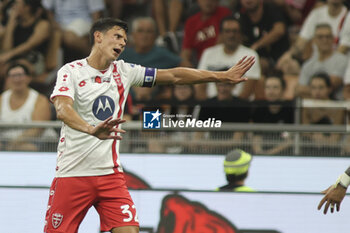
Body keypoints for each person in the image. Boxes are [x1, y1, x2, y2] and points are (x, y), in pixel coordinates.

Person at [45, 17, 255, 233]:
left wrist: (221, 76)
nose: (122, 43)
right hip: (72, 174)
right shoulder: (71, 71)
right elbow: (62, 109)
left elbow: (174, 75)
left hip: (110, 176)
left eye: (125, 40)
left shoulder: (124, 71)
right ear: (98, 37)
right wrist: (91, 129)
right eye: (117, 37)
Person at [196, 15, 262, 100]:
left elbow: (248, 90)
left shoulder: (250, 55)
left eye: (235, 31)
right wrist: (208, 106)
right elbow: (200, 85)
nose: (231, 35)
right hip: (210, 105)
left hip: (239, 107)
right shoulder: (208, 53)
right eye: (227, 31)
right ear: (221, 34)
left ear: (240, 33)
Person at [0, 61, 52, 151]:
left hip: (34, 141)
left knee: (27, 148)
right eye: (13, 76)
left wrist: (13, 144)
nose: (17, 79)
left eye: (20, 75)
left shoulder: (40, 100)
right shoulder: (1, 99)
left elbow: (37, 129)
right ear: (7, 79)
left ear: (28, 78)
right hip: (5, 141)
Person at [296, 23, 347, 99]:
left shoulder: (342, 60)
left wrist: (310, 90)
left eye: (328, 37)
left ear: (333, 39)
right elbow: (299, 90)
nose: (325, 40)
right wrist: (320, 89)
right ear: (314, 40)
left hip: (336, 105)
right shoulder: (308, 64)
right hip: (312, 107)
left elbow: (332, 84)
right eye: (320, 37)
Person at [251, 71, 294, 155]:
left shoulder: (291, 109)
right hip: (263, 151)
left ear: (283, 89)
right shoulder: (259, 109)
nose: (271, 91)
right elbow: (256, 136)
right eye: (268, 87)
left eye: (275, 88)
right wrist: (259, 151)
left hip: (286, 153)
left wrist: (270, 153)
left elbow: (291, 139)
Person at [180, 0, 231, 67]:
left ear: (218, 1)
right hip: (202, 64)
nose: (208, 2)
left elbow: (223, 40)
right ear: (198, 1)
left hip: (223, 60)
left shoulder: (224, 13)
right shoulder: (191, 22)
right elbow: (185, 52)